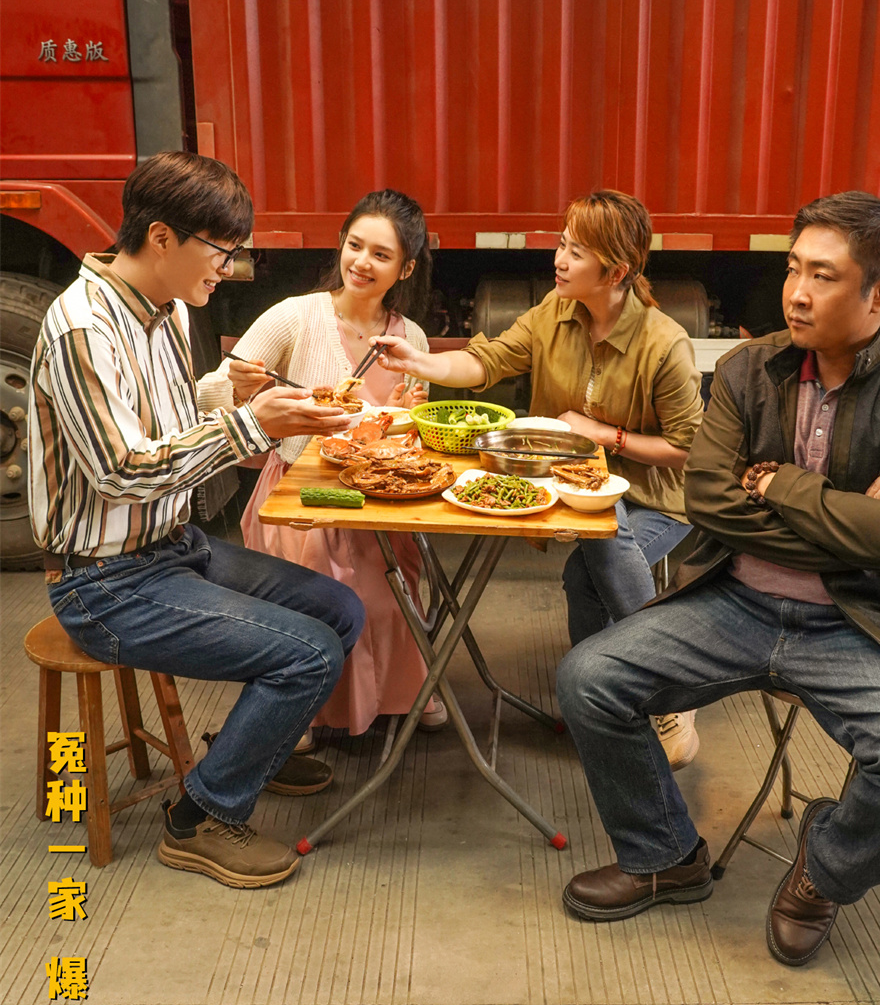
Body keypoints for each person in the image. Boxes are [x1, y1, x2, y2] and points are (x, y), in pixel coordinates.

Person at [554, 191, 880, 966]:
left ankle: (824, 871)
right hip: (737, 602)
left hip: (864, 621)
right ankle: (664, 855)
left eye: (823, 275)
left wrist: (780, 484)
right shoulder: (749, 368)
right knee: (589, 677)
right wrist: (851, 518)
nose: (797, 293)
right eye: (793, 269)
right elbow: (708, 500)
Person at [29, 152, 366, 889]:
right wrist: (253, 424)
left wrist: (235, 396)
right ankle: (200, 818)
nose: (229, 267)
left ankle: (249, 752)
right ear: (161, 237)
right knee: (309, 653)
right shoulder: (82, 329)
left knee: (340, 610)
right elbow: (123, 471)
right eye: (220, 250)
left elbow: (172, 426)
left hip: (171, 547)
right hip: (103, 583)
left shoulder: (168, 310)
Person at [375, 191, 704, 766]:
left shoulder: (664, 343)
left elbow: (688, 449)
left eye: (576, 252)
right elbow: (488, 361)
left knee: (595, 557)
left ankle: (661, 693)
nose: (559, 259)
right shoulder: (555, 310)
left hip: (656, 499)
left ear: (616, 272)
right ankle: (612, 699)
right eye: (561, 244)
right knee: (588, 567)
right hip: (569, 487)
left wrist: (604, 435)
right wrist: (420, 362)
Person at [199, 189, 446, 736]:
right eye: (355, 245)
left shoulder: (410, 336)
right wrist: (239, 388)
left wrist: (406, 414)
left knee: (390, 597)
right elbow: (208, 393)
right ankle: (299, 714)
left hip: (379, 499)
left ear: (405, 268)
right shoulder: (296, 316)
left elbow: (410, 425)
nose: (362, 262)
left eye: (381, 255)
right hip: (301, 495)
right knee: (320, 604)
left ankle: (400, 692)